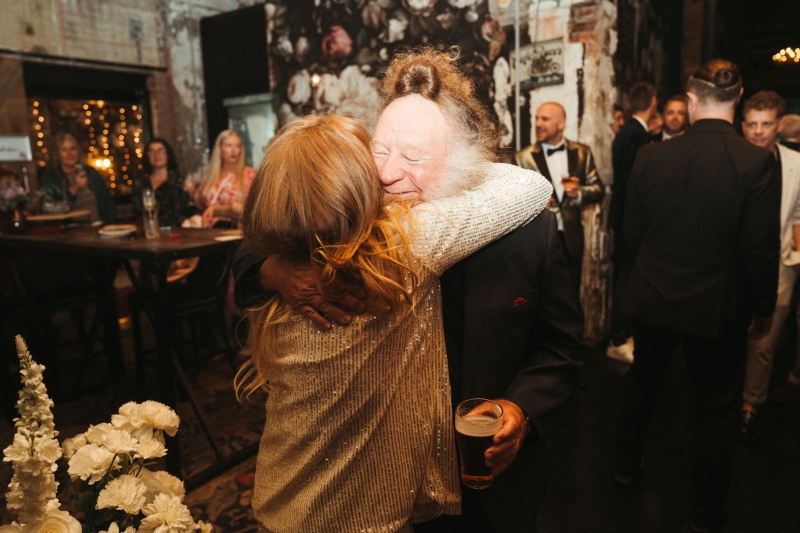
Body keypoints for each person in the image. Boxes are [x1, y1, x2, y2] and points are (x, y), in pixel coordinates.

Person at [234, 48, 584, 533]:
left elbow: (561, 347)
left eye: (413, 156)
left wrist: (520, 408)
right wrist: (272, 270)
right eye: (379, 150)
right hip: (376, 492)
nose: (387, 173)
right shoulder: (353, 220)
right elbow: (259, 242)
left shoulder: (529, 235)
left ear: (465, 162)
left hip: (484, 487)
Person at [613, 59, 779, 533]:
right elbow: (759, 249)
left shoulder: (651, 156)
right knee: (714, 410)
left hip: (654, 299)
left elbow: (631, 234)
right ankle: (706, 513)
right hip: (717, 306)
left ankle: (624, 466)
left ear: (689, 100)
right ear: (738, 99)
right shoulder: (755, 162)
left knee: (643, 385)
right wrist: (763, 309)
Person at [738, 91, 800, 438]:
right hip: (734, 263)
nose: (759, 131)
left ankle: (751, 403)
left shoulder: (796, 164)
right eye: (752, 124)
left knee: (765, 342)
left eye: (766, 124)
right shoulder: (732, 158)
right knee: (733, 336)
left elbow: (798, 215)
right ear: (743, 127)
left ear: (779, 125)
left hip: (779, 263)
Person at [514, 101, 604, 300]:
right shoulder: (522, 158)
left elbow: (599, 189)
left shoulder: (582, 153)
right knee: (542, 299)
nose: (538, 124)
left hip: (571, 240)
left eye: (544, 119)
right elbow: (512, 201)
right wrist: (533, 205)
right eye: (536, 118)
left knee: (571, 298)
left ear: (561, 123)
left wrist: (579, 193)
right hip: (539, 241)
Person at [607, 81, 658, 364]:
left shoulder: (629, 131)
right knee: (626, 279)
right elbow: (633, 183)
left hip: (624, 217)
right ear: (653, 103)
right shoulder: (637, 134)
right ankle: (618, 339)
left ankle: (622, 335)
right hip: (629, 219)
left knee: (625, 277)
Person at [38, 133, 115, 223]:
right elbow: (51, 210)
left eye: (73, 148)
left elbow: (108, 203)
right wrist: (74, 189)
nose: (70, 154)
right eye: (64, 150)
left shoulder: (91, 173)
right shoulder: (50, 178)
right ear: (56, 155)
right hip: (69, 229)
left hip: (98, 226)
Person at [131, 138, 200, 228]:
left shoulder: (179, 181)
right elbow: (137, 210)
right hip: (149, 229)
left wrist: (193, 194)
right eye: (152, 151)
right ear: (147, 156)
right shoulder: (140, 182)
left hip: (178, 230)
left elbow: (189, 209)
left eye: (161, 150)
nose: (157, 155)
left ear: (168, 154)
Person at [193, 129, 255, 228]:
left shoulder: (249, 174)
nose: (233, 150)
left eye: (237, 146)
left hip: (236, 230)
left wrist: (220, 213)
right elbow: (202, 204)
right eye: (229, 145)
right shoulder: (209, 174)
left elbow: (254, 210)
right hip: (209, 229)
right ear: (220, 149)